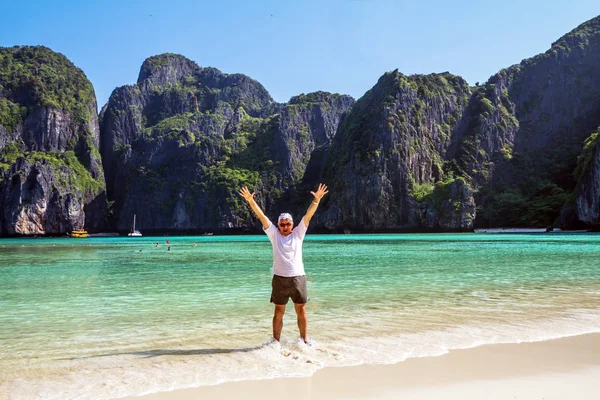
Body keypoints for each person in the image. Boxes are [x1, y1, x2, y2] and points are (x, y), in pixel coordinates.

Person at [239, 183, 328, 344]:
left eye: (288, 224)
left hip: (298, 278)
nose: (285, 227)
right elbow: (262, 217)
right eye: (282, 224)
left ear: (292, 225)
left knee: (301, 310)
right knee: (279, 311)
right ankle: (275, 342)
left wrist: (316, 200)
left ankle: (304, 340)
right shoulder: (274, 235)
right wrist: (250, 201)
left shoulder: (298, 234)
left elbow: (308, 216)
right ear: (278, 225)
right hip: (279, 279)